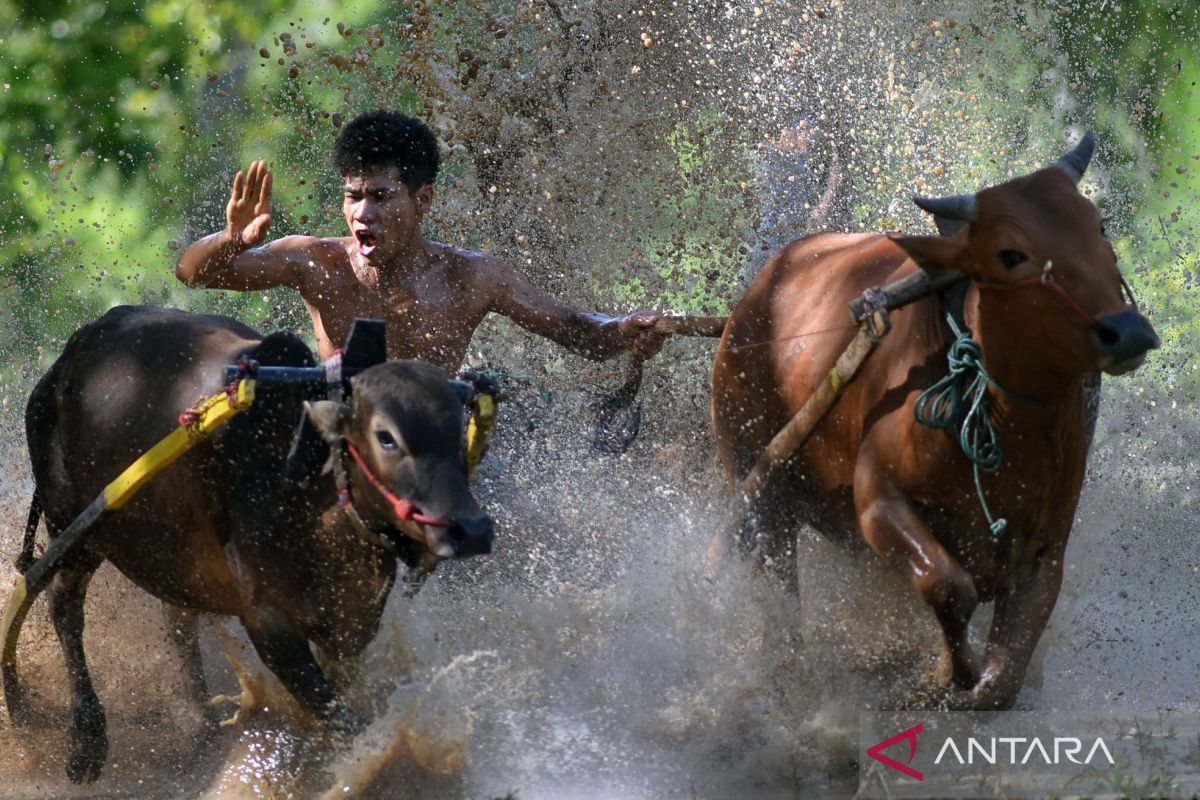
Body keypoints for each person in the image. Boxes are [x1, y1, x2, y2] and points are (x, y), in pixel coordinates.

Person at [175, 110, 664, 373]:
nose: (362, 213)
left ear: (422, 199)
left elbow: (576, 331)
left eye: (382, 197)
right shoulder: (315, 261)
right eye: (353, 196)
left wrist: (625, 331)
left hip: (434, 451)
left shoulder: (473, 277)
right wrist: (232, 238)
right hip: (345, 437)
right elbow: (194, 274)